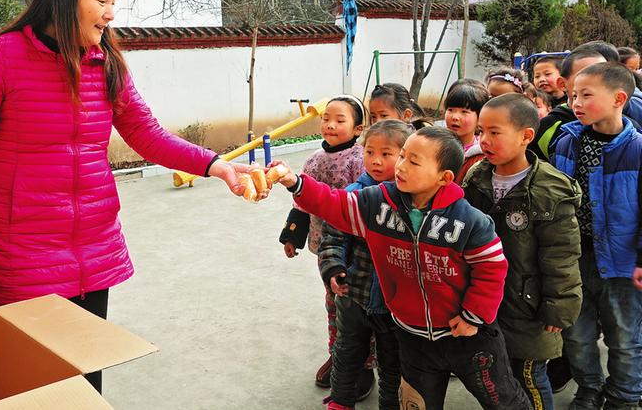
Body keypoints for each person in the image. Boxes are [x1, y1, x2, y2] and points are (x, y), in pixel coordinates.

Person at [0, 0, 250, 393]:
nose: (111, 14)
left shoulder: (106, 62)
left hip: (93, 255)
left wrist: (214, 164)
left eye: (114, 2)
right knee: (33, 386)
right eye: (102, 1)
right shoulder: (2, 57)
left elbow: (147, 134)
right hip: (22, 260)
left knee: (86, 383)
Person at [272, 126, 532, 409]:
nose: (401, 166)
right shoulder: (378, 203)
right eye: (403, 156)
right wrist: (294, 182)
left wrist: (473, 316)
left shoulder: (469, 221)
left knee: (503, 400)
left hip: (469, 336)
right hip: (412, 337)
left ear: (444, 177)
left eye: (414, 162)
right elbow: (335, 204)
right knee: (416, 403)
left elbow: (491, 268)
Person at [462, 93, 582, 410]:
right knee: (498, 376)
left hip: (530, 306)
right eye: (481, 131)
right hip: (489, 300)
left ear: (526, 135)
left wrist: (559, 307)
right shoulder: (477, 177)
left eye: (495, 132)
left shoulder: (550, 189)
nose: (484, 140)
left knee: (529, 376)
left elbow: (562, 256)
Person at [552, 62, 642, 409]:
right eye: (573, 95)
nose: (576, 102)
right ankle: (589, 388)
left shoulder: (636, 149)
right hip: (574, 258)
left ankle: (624, 395)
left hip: (622, 262)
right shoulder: (567, 140)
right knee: (576, 334)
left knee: (625, 336)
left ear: (619, 99)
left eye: (586, 95)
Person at [318, 121, 410, 410]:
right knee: (347, 354)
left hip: (395, 302)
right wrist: (333, 267)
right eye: (370, 152)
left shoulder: (414, 199)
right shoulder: (353, 194)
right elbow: (333, 236)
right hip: (354, 293)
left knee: (393, 361)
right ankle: (340, 402)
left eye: (386, 153)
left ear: (406, 156)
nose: (376, 160)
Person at [279, 95, 367, 389]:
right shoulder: (314, 160)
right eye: (326, 118)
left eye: (340, 120)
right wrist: (293, 236)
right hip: (325, 248)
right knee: (334, 303)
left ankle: (363, 365)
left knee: (358, 307)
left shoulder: (360, 159)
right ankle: (338, 355)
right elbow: (302, 202)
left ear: (358, 128)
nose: (330, 124)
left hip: (357, 248)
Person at [528, 49, 606, 162]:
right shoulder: (545, 127)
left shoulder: (626, 127)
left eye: (605, 77)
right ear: (562, 84)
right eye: (586, 75)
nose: (600, 83)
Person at [443, 80, 489, 184]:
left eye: (464, 112)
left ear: (480, 117)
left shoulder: (482, 154)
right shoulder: (435, 144)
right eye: (450, 109)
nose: (455, 117)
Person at [367, 82, 431, 129]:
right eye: (373, 117)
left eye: (384, 115)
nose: (377, 122)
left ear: (406, 115)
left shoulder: (420, 139)